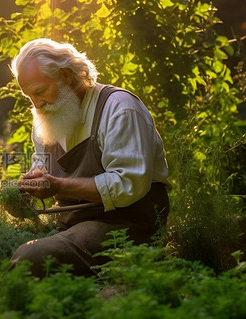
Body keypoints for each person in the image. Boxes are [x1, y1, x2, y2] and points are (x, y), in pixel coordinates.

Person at [9, 38, 171, 277]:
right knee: (2, 246)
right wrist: (31, 185)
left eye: (40, 92)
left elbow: (127, 185)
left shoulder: (119, 109)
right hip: (72, 224)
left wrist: (57, 186)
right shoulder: (45, 118)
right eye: (29, 97)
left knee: (30, 258)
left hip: (125, 225)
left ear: (65, 75)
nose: (36, 104)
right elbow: (42, 167)